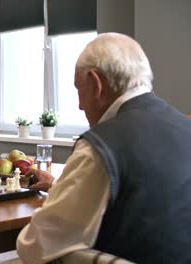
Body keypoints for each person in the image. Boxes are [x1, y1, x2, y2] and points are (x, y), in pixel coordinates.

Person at [17, 32, 191, 263]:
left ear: (96, 83)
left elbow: (37, 246)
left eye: (79, 90)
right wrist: (59, 186)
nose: (79, 105)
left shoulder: (101, 145)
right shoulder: (185, 127)